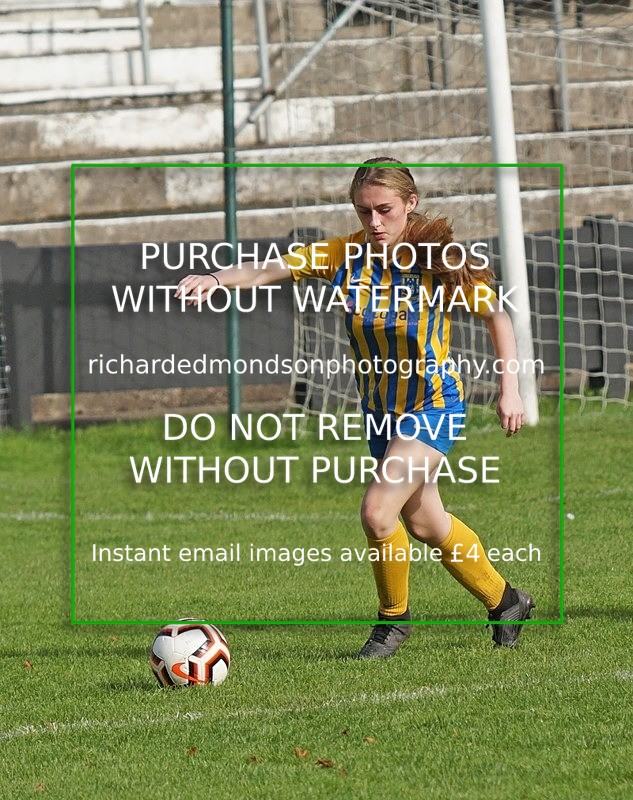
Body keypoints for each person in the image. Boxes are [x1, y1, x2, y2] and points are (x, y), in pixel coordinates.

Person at [175, 157, 535, 658]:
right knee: (428, 524)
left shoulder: (438, 258)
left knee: (376, 511)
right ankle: (507, 600)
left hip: (433, 405)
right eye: (364, 212)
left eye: (385, 210)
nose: (374, 222)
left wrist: (510, 388)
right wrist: (216, 279)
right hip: (381, 414)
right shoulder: (346, 254)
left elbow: (497, 315)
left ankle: (393, 623)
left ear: (411, 204)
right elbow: (272, 268)